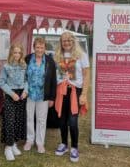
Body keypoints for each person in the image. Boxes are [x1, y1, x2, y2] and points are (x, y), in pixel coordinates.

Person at [53, 31, 90, 162]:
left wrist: (84, 94)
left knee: (73, 121)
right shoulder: (57, 56)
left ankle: (74, 147)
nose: (67, 42)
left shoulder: (82, 55)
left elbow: (86, 75)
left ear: (73, 41)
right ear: (61, 43)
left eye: (69, 40)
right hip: (61, 91)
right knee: (61, 120)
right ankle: (64, 144)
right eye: (64, 41)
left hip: (75, 91)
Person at [23, 37, 56, 153]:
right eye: (37, 47)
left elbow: (53, 80)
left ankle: (40, 142)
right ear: (34, 47)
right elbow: (23, 75)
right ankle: (30, 140)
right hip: (29, 94)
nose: (40, 49)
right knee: (29, 118)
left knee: (42, 120)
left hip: (43, 95)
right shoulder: (27, 59)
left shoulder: (50, 61)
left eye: (42, 47)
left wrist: (52, 97)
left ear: (45, 48)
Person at [0, 44, 28, 161]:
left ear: (22, 54)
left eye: (19, 53)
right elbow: (1, 82)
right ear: (11, 53)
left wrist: (26, 91)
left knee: (18, 120)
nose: (17, 55)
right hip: (11, 95)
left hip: (21, 95)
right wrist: (11, 94)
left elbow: (27, 80)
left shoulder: (24, 66)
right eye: (15, 52)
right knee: (10, 120)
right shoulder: (6, 67)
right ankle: (7, 147)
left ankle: (14, 143)